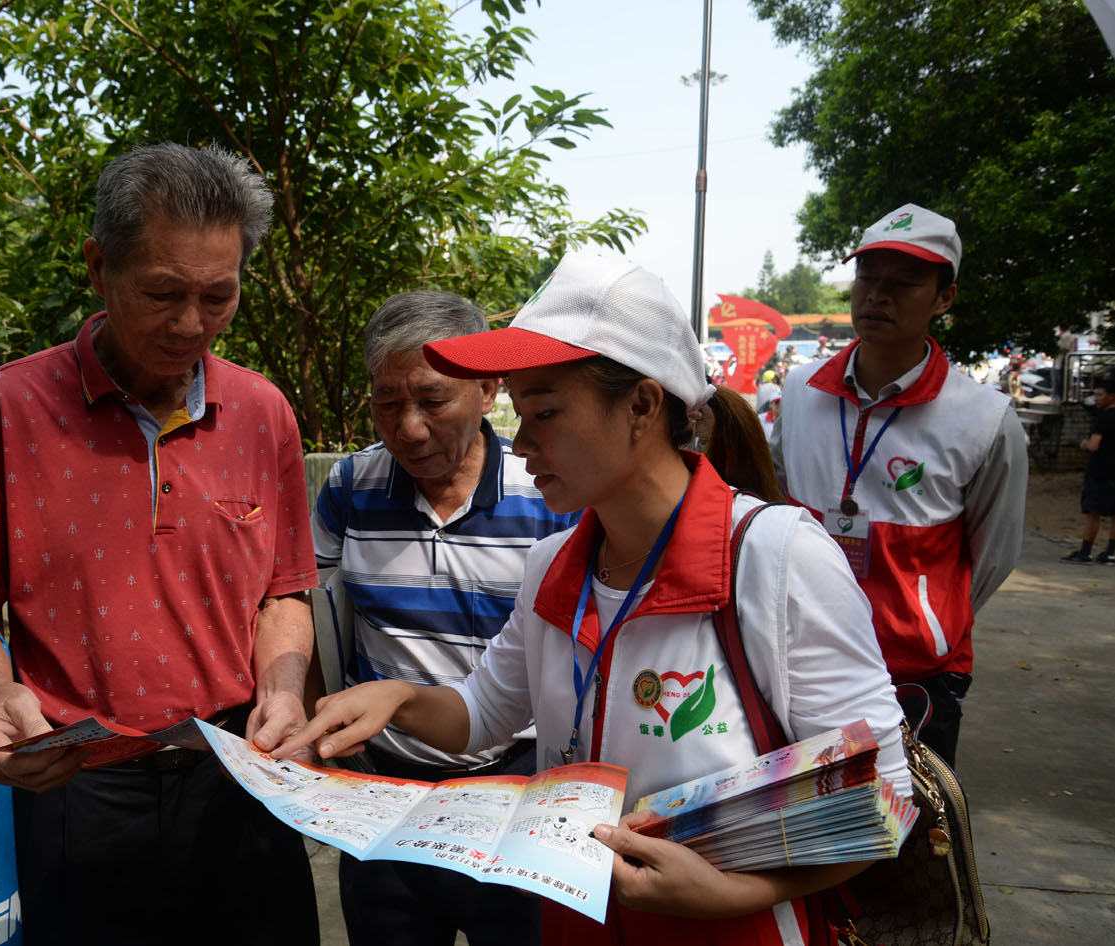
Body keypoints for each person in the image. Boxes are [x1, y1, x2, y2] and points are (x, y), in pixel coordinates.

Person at [279, 251, 910, 946]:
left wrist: (735, 892)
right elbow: (484, 712)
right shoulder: (555, 563)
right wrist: (396, 698)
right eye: (519, 415)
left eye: (544, 413)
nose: (522, 447)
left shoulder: (777, 558)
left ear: (641, 404)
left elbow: (881, 798)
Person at [0, 142, 320, 945]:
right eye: (160, 293)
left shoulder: (263, 413)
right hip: (76, 793)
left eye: (219, 297)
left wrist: (284, 691)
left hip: (240, 775)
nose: (190, 325)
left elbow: (282, 595)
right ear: (96, 266)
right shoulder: (8, 408)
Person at [313, 290, 576, 945]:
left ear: (489, 391)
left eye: (432, 400)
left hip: (511, 789)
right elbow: (300, 605)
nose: (408, 427)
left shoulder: (547, 493)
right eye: (386, 403)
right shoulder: (350, 488)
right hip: (382, 794)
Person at [770, 203, 1027, 767]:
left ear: (943, 298)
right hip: (803, 659)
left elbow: (993, 553)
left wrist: (927, 619)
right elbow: (776, 503)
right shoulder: (798, 391)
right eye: (867, 278)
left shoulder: (983, 418)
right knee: (805, 841)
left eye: (905, 283)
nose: (877, 296)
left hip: (917, 676)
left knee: (907, 841)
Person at [1060, 374, 1115, 565]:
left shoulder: (1103, 420)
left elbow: (1094, 445)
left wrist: (1083, 444)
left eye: (1100, 395)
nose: (1097, 398)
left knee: (1093, 513)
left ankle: (1085, 551)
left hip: (1100, 472)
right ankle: (1111, 552)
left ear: (1112, 396)